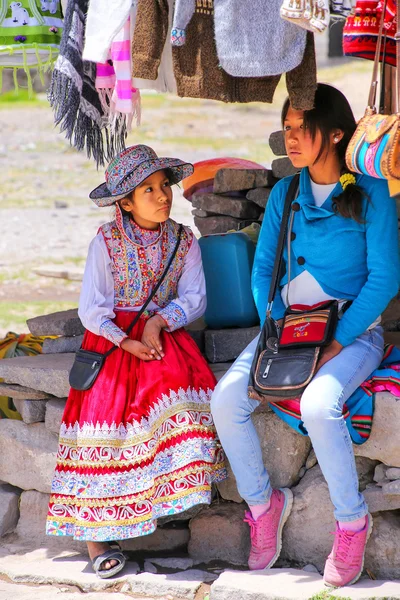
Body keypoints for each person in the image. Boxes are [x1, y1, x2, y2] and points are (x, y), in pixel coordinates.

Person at [211, 83, 400, 588]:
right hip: (287, 330)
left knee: (319, 404)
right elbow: (262, 271)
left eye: (302, 129)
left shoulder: (371, 192)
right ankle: (262, 504)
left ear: (336, 133)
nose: (290, 139)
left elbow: (384, 278)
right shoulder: (285, 193)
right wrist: (278, 329)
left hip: (350, 333)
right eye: (287, 128)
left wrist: (337, 340)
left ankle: (352, 521)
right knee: (226, 399)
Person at [46, 145, 226, 578]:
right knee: (106, 424)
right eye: (148, 190)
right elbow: (93, 308)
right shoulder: (106, 242)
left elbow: (194, 298)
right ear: (125, 202)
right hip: (113, 343)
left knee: (177, 400)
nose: (162, 196)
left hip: (163, 338)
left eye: (164, 186)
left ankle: (161, 505)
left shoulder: (183, 241)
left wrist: (159, 323)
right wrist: (124, 341)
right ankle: (96, 542)